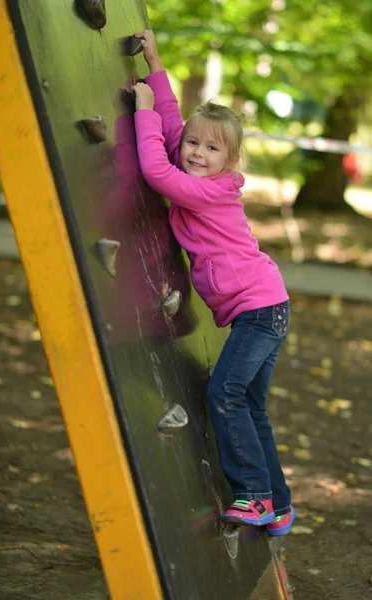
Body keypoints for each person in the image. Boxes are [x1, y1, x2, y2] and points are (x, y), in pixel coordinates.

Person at [131, 29, 295, 536]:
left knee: (225, 394)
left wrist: (141, 112)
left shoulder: (207, 192)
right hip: (268, 306)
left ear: (231, 161)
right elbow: (177, 126)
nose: (197, 153)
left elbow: (158, 171)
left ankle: (254, 497)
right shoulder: (199, 172)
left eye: (211, 149)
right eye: (195, 146)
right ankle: (281, 505)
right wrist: (155, 63)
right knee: (248, 403)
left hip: (258, 310)